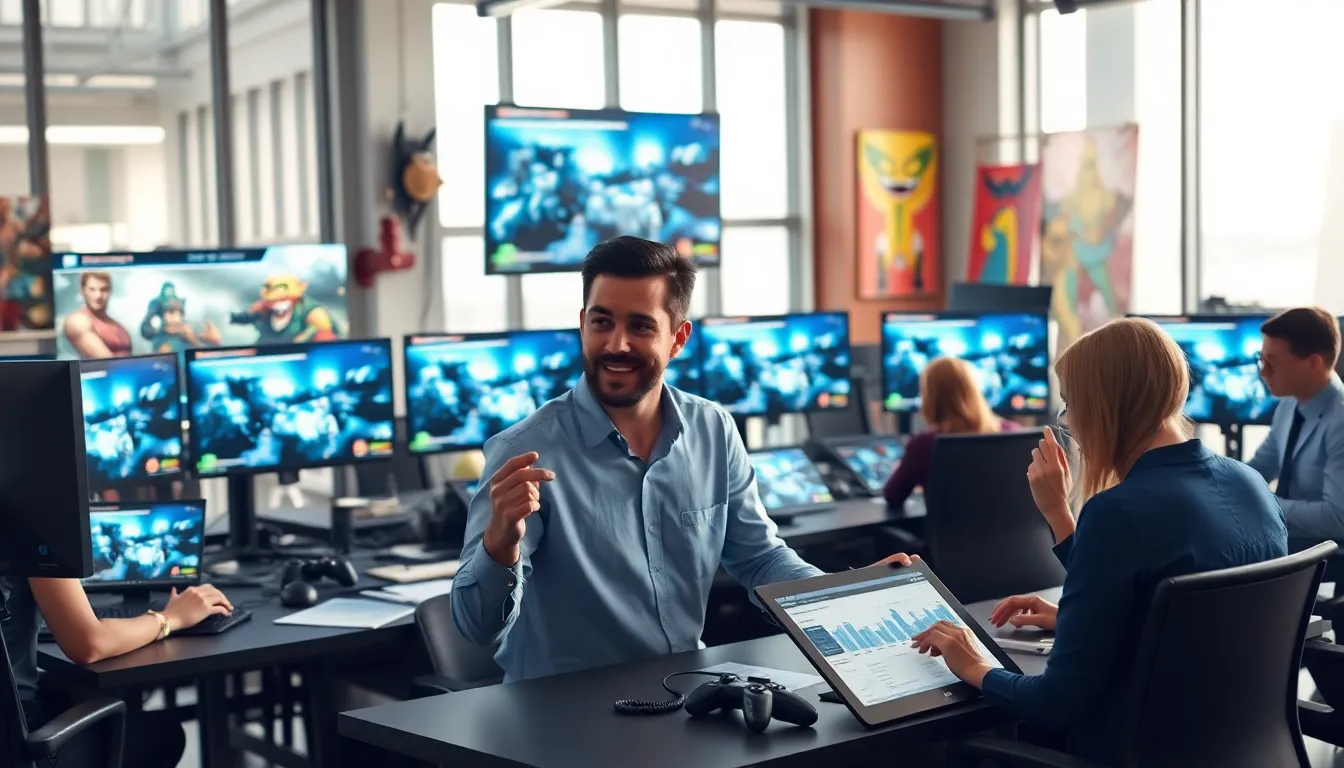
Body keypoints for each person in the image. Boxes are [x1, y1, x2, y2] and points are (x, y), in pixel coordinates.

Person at [451, 235, 897, 682]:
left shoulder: (714, 430)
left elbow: (759, 559)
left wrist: (844, 594)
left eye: (641, 326)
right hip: (561, 714)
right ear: (583, 324)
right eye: (602, 322)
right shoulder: (522, 451)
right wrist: (501, 543)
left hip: (680, 694)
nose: (617, 344)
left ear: (678, 338)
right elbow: (474, 626)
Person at [897, 317, 1287, 764]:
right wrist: (1077, 617)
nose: (1069, 422)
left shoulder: (1119, 512)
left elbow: (1055, 703)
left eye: (1071, 403)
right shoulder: (1251, 483)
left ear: (1104, 405)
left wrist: (974, 665)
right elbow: (1198, 628)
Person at [1, 575, 234, 767]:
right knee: (162, 735)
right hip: (18, 742)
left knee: (76, 690)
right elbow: (90, 644)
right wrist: (172, 617)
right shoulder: (30, 525)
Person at [1246, 307, 1344, 543]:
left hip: (1326, 556)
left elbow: (1337, 518)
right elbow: (1258, 469)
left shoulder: (1340, 420)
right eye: (1261, 359)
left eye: (1272, 362)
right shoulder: (1289, 405)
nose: (1263, 372)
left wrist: (1261, 503)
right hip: (1288, 542)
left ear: (1313, 363)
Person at [882, 356, 1021, 507]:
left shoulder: (922, 445)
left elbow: (893, 496)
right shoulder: (1013, 432)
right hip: (1015, 531)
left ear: (929, 397)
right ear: (974, 389)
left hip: (947, 531)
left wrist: (902, 468)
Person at [62, 271, 132, 358]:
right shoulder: (78, 321)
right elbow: (106, 362)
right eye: (92, 289)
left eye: (103, 289)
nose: (98, 296)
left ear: (110, 291)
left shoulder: (117, 326)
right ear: (83, 291)